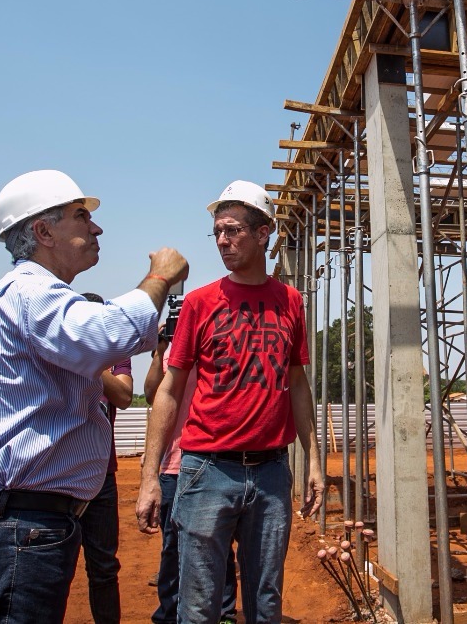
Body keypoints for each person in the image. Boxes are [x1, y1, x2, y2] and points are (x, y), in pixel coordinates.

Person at [0, 169, 187, 624]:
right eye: (80, 216)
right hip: (13, 526)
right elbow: (109, 335)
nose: (95, 228)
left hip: (18, 523)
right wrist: (159, 277)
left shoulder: (24, 296)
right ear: (42, 231)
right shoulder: (30, 291)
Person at [136, 180, 324, 624]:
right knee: (198, 605)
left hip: (272, 473)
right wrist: (150, 475)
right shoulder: (201, 303)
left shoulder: (290, 302)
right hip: (206, 469)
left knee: (266, 601)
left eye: (233, 230)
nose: (222, 240)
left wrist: (313, 458)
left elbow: (298, 384)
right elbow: (168, 389)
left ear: (264, 234)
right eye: (217, 231)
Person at [144, 330, 238, 624]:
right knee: (172, 546)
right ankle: (169, 613)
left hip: (211, 460)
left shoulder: (219, 348)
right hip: (173, 463)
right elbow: (151, 394)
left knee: (218, 541)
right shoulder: (172, 353)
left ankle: (223, 612)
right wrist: (160, 351)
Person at [77, 291, 134, 624]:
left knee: (104, 567)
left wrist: (88, 360)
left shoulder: (116, 357)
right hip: (62, 475)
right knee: (56, 561)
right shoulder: (59, 350)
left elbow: (125, 395)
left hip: (102, 475)